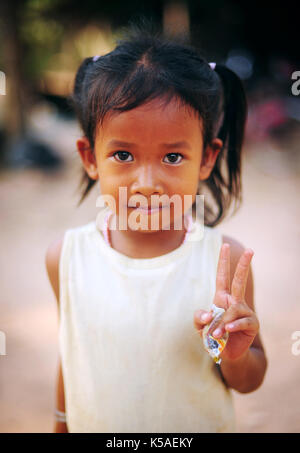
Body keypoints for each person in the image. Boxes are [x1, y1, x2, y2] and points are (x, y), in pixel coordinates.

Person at [45, 25, 267, 433]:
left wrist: (233, 353)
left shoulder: (224, 261)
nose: (146, 182)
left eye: (173, 157)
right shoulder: (66, 257)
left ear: (206, 158)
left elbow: (249, 379)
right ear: (90, 157)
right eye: (123, 154)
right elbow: (72, 353)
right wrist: (60, 423)